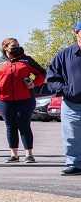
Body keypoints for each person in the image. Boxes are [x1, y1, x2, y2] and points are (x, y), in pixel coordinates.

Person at [0, 38, 45, 163]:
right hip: (4, 100)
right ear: (5, 47)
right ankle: (14, 155)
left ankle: (29, 154)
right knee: (10, 126)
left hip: (25, 99)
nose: (16, 47)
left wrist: (34, 83)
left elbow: (41, 74)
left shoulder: (27, 60)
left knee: (24, 125)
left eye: (18, 45)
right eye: (13, 46)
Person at [47, 21, 81, 176]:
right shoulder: (64, 55)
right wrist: (66, 90)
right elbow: (52, 78)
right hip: (72, 103)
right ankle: (74, 164)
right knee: (72, 136)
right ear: (76, 32)